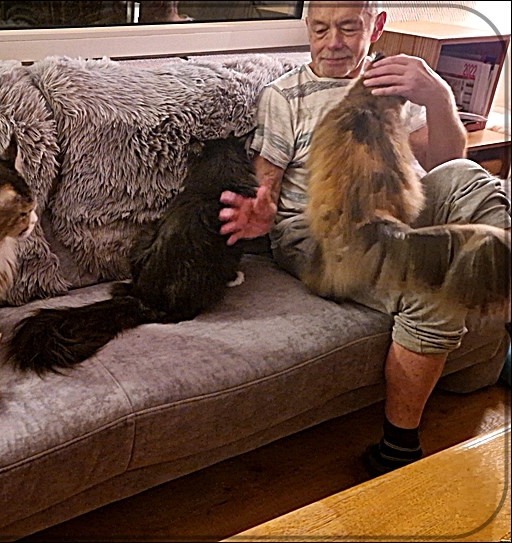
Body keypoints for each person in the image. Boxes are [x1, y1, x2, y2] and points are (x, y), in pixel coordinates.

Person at [218, 1, 511, 477]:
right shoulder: (284, 95)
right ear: (307, 27)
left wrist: (437, 95)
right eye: (320, 29)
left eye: (348, 27)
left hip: (399, 214)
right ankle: (398, 448)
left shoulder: (395, 81)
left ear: (376, 26)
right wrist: (260, 212)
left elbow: (446, 160)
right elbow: (265, 184)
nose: (332, 43)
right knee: (435, 281)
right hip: (320, 236)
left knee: (466, 175)